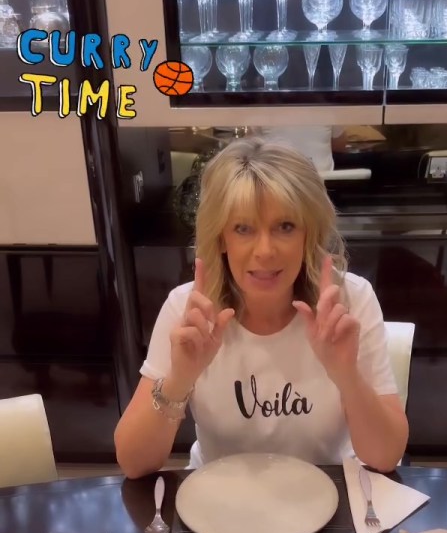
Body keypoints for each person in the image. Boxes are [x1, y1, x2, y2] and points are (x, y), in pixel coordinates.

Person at [114, 138, 408, 478]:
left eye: (285, 226)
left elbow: (385, 457)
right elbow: (133, 463)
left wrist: (346, 376)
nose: (265, 251)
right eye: (243, 228)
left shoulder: (351, 301)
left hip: (330, 497)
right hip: (217, 500)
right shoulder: (188, 310)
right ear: (221, 237)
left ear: (308, 232)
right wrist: (180, 378)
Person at [251, 125, 348, 173]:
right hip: (321, 184)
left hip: (277, 181)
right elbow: (340, 146)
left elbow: (250, 146)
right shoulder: (328, 106)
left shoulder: (264, 107)